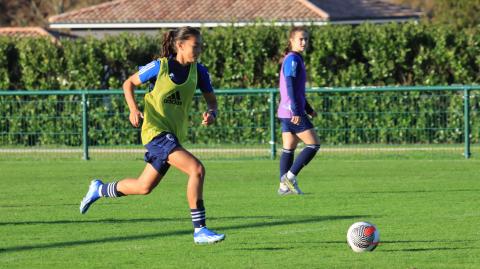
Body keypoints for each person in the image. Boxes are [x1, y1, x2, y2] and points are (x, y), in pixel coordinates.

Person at [79, 27, 225, 244]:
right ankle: (200, 230)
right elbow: (128, 83)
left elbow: (212, 101)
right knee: (197, 169)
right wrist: (132, 108)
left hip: (172, 136)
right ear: (180, 45)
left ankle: (99, 189)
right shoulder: (160, 66)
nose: (200, 50)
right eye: (196, 45)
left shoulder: (200, 72)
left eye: (201, 45)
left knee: (143, 186)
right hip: (155, 132)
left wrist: (212, 113)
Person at [277, 26, 320, 195]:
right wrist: (297, 111)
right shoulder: (293, 59)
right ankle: (290, 177)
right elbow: (290, 86)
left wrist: (308, 108)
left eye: (306, 39)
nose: (304, 42)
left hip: (285, 111)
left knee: (289, 147)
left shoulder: (294, 58)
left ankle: (283, 188)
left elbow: (298, 89)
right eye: (300, 39)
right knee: (313, 144)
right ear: (291, 41)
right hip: (291, 111)